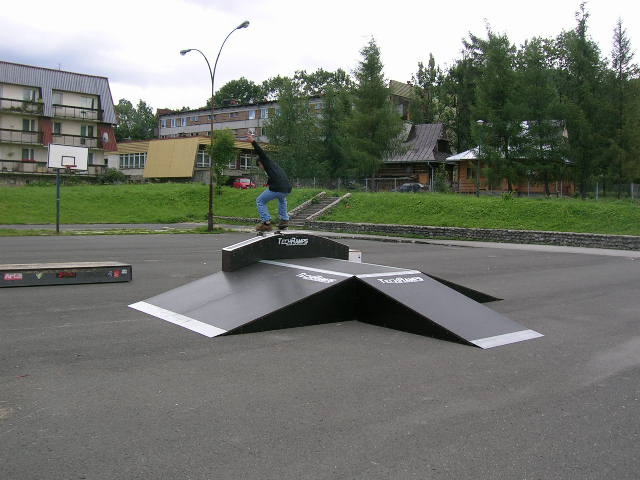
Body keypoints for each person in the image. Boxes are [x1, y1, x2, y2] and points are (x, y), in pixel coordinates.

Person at [246, 132, 292, 232]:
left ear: (261, 163)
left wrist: (253, 142)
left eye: (260, 166)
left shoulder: (266, 162)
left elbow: (260, 152)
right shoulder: (274, 166)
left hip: (278, 187)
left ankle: (266, 222)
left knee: (260, 200)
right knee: (282, 199)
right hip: (286, 188)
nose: (261, 168)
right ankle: (284, 220)